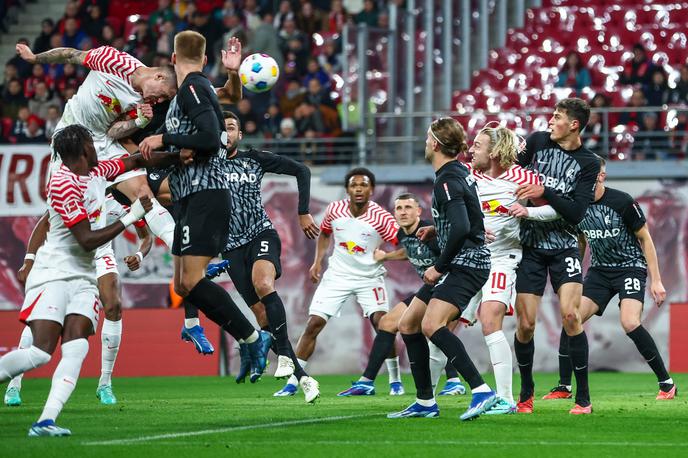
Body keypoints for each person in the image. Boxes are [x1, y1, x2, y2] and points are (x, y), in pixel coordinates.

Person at [0, 124, 177, 436]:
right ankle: (13, 386)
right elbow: (85, 239)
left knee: (77, 346)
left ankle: (46, 421)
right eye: (93, 144)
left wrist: (180, 154)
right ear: (83, 150)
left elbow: (133, 161)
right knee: (41, 352)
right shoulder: (63, 184)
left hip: (82, 275)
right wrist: (130, 216)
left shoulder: (96, 171)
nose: (100, 148)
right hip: (55, 271)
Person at [138, 30, 270, 382]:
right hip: (190, 197)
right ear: (207, 59)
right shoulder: (199, 88)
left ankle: (253, 337)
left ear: (171, 60)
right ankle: (247, 337)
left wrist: (163, 137)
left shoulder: (193, 88)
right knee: (183, 285)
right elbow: (225, 104)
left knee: (193, 280)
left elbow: (212, 138)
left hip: (206, 194)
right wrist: (164, 153)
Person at [387, 118, 497, 421]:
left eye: (427, 138)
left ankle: (481, 390)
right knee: (408, 324)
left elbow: (462, 226)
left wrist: (438, 266)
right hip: (462, 258)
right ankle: (425, 402)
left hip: (466, 263)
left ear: (435, 143)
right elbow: (465, 219)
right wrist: (438, 230)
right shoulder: (458, 172)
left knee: (431, 325)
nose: (425, 143)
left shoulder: (446, 179)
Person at [542, 157, 676, 401]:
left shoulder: (622, 201)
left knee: (630, 323)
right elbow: (582, 239)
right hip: (600, 272)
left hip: (630, 268)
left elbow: (645, 238)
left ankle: (666, 383)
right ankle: (564, 385)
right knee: (571, 316)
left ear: (601, 176)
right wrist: (574, 273)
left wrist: (656, 281)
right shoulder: (577, 205)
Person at [5, 197, 153, 407]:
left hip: (100, 255)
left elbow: (146, 236)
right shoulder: (82, 187)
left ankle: (105, 383)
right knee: (42, 315)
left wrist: (139, 254)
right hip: (66, 255)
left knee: (113, 306)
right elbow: (45, 222)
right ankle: (14, 383)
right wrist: (29, 260)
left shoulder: (124, 196)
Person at [217, 112, 320, 400]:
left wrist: (302, 212)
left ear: (240, 134)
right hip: (231, 247)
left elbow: (302, 170)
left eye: (232, 127)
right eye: (220, 128)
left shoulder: (255, 158)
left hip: (261, 234)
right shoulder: (206, 164)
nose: (226, 132)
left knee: (264, 286)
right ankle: (303, 377)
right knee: (261, 317)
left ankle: (288, 360)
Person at [274, 168, 400, 398]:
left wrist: (388, 256)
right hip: (338, 276)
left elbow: (402, 243)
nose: (358, 189)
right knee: (313, 324)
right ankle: (294, 380)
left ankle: (395, 380)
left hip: (369, 277)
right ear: (347, 190)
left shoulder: (382, 218)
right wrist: (317, 262)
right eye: (354, 185)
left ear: (371, 190)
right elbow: (324, 233)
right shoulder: (335, 209)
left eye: (363, 185)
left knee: (384, 325)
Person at [461, 124, 560, 414]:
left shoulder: (523, 177)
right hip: (468, 258)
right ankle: (426, 397)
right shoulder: (467, 176)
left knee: (490, 320)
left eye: (477, 145)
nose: (471, 150)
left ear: (493, 151)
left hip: (502, 259)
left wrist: (528, 211)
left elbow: (556, 208)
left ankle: (504, 398)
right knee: (437, 322)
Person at [513, 98, 601, 415]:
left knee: (571, 317)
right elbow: (512, 175)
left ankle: (583, 399)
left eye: (557, 116)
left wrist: (543, 192)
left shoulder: (589, 162)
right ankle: (526, 392)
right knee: (525, 325)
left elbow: (577, 212)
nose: (550, 120)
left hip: (564, 244)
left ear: (573, 124)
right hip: (530, 247)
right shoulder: (536, 142)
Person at [336, 193, 466, 397]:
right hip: (430, 290)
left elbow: (452, 254)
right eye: (399, 208)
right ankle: (367, 382)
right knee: (387, 323)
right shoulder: (403, 234)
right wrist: (386, 257)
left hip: (449, 289)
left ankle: (454, 381)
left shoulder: (429, 232)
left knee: (434, 331)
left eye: (408, 207)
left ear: (419, 211)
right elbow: (409, 251)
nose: (403, 212)